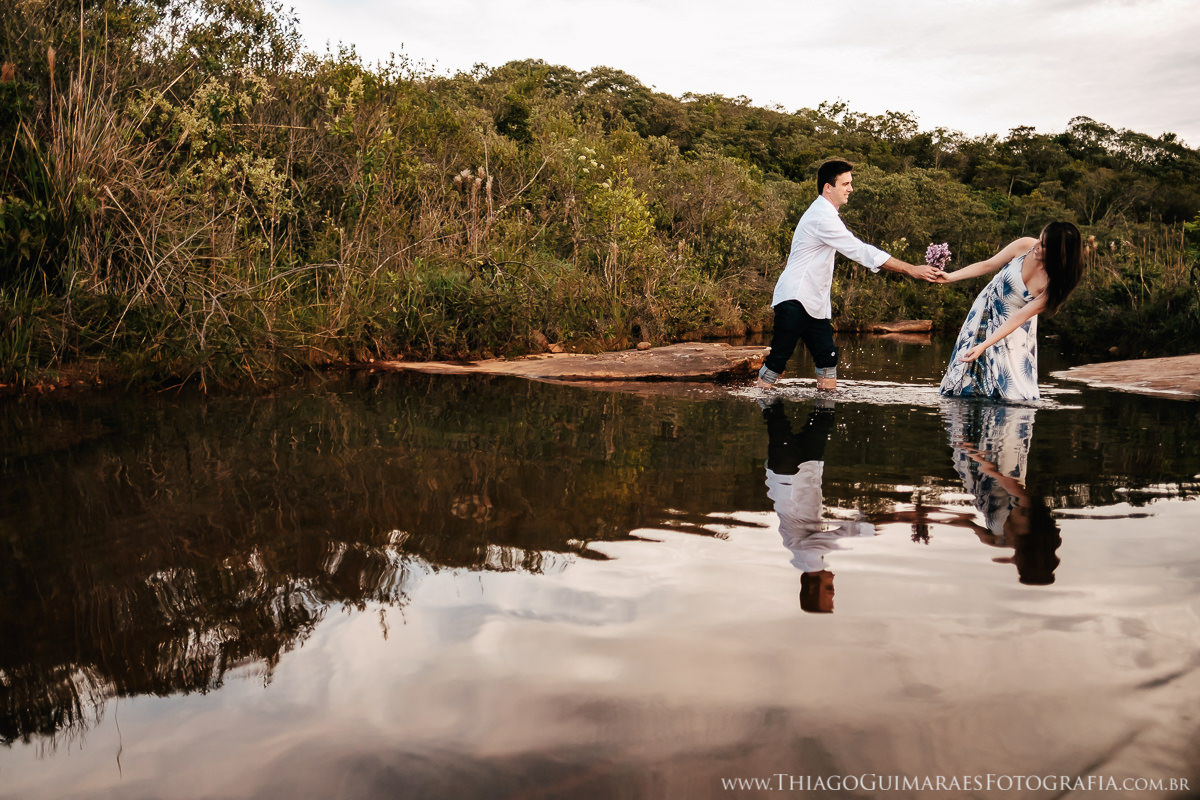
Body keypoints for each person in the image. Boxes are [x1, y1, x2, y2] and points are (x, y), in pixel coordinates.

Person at [755, 160, 944, 391]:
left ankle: (824, 415)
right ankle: (763, 404)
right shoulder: (821, 217)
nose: (850, 189)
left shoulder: (828, 215)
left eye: (850, 183)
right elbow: (860, 250)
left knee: (828, 360)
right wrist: (910, 269)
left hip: (814, 304)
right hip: (795, 298)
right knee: (778, 361)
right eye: (845, 184)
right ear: (828, 187)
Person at [938, 221, 1084, 401]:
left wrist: (985, 345)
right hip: (982, 313)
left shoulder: (1055, 285)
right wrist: (950, 277)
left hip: (1012, 330)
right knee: (964, 375)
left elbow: (1020, 316)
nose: (1036, 245)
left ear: (1058, 254)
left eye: (1044, 245)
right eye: (1039, 239)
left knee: (1011, 391)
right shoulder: (1025, 246)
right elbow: (988, 265)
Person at [761, 398, 875, 612]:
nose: (833, 583)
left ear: (814, 588)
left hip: (789, 473)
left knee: (810, 414)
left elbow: (829, 539)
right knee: (816, 414)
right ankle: (772, 388)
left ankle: (768, 378)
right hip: (800, 472)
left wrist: (866, 530)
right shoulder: (800, 557)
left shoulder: (809, 559)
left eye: (829, 589)